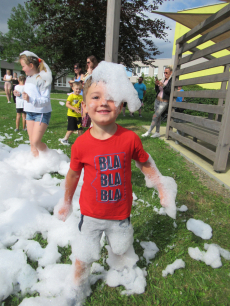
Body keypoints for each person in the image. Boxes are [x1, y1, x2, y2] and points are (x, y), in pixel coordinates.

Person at [56, 61, 177, 302]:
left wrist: (161, 186)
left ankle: (122, 272)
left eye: (111, 97)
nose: (103, 102)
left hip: (120, 214)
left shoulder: (129, 139)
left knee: (121, 249)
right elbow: (72, 175)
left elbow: (144, 163)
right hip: (90, 215)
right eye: (96, 97)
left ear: (121, 104)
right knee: (84, 255)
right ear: (86, 105)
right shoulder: (81, 144)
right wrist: (66, 201)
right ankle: (77, 285)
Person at [14, 50, 52, 157]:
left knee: (36, 141)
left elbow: (46, 100)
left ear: (31, 65)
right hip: (30, 113)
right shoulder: (28, 79)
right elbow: (29, 96)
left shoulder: (43, 79)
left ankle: (50, 158)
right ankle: (36, 164)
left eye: (23, 66)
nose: (22, 69)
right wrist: (20, 95)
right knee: (32, 143)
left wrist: (30, 99)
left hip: (41, 113)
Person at [142, 66, 173, 138]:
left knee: (155, 116)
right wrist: (156, 85)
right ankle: (157, 132)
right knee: (157, 117)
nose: (165, 74)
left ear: (171, 73)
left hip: (164, 102)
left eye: (167, 73)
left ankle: (148, 132)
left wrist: (163, 86)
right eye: (164, 72)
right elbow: (157, 90)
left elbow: (170, 91)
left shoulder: (171, 81)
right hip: (157, 100)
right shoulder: (163, 80)